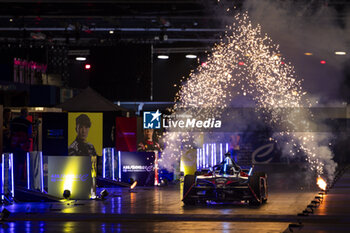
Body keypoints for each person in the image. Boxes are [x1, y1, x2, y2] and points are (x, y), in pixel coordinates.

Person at [10, 108, 32, 185]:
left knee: (14, 161)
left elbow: (10, 131)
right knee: (21, 163)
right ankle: (18, 179)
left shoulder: (14, 121)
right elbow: (29, 134)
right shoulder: (28, 123)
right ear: (26, 114)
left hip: (14, 144)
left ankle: (13, 178)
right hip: (23, 145)